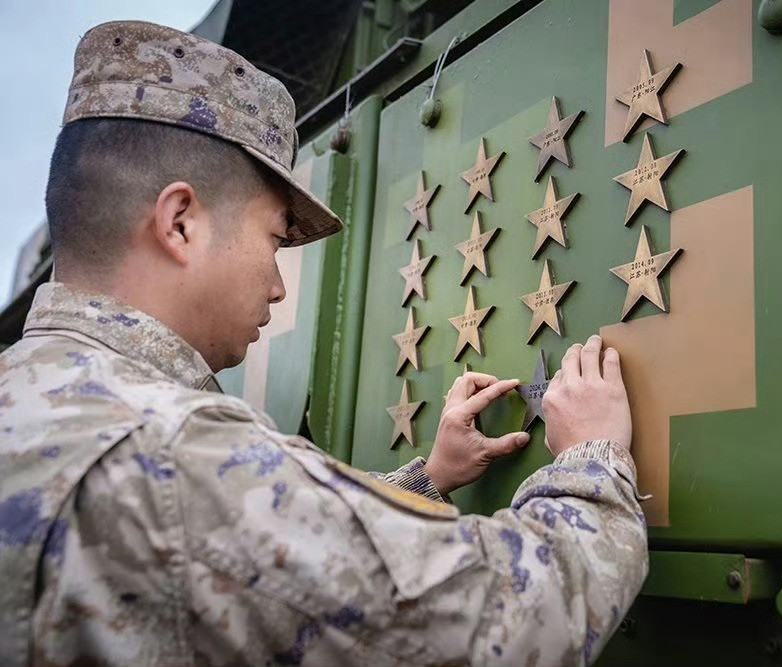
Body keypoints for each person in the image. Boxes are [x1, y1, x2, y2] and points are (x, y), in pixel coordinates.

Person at [0, 20, 648, 667]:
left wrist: (429, 477)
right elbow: (520, 617)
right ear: (180, 222)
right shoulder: (174, 454)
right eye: (276, 238)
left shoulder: (31, 399)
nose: (278, 288)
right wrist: (593, 458)